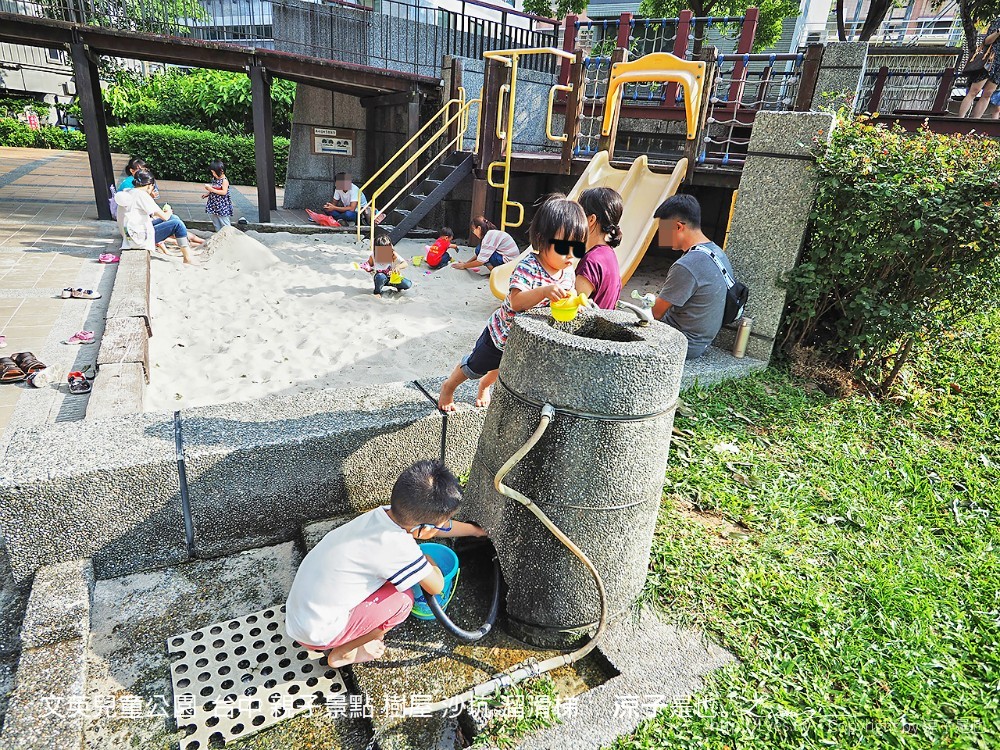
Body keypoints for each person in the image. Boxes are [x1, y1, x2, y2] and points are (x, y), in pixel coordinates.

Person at [284, 460, 487, 668]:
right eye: (443, 523)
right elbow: (437, 586)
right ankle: (345, 652)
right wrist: (426, 559)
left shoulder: (384, 514)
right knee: (403, 601)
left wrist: (475, 531)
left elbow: (437, 526)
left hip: (299, 614)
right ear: (424, 530)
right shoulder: (398, 548)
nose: (445, 526)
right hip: (317, 633)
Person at [437, 196, 585, 412]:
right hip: (501, 334)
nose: (571, 255)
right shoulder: (529, 267)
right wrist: (543, 291)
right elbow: (515, 302)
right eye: (564, 247)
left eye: (577, 247)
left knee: (500, 371)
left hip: (526, 340)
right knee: (476, 366)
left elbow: (567, 295)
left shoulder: (567, 272)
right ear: (542, 240)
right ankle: (449, 387)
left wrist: (574, 301)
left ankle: (484, 387)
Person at [651, 194, 735, 360]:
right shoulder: (717, 253)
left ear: (678, 227)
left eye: (663, 229)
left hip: (681, 342)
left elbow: (655, 313)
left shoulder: (687, 265)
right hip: (702, 341)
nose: (661, 236)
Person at [116, 170, 195, 264]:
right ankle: (187, 258)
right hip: (138, 238)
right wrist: (168, 211)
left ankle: (186, 251)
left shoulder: (129, 191)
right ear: (150, 185)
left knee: (173, 218)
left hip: (129, 234)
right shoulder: (142, 195)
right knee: (177, 224)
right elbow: (165, 217)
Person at [575, 187, 624, 309]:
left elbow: (573, 308)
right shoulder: (609, 254)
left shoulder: (591, 261)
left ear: (591, 219)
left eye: (579, 216)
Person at [959, 18, 1000, 118]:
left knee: (988, 94)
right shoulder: (998, 21)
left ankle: (976, 122)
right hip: (990, 59)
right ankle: (960, 119)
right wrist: (998, 32)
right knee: (975, 90)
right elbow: (986, 41)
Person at [451, 217, 520, 272]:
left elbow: (481, 261)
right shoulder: (491, 233)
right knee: (479, 249)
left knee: (480, 251)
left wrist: (464, 266)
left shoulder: (489, 236)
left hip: (509, 262)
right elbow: (482, 253)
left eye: (473, 230)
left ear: (478, 228)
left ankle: (494, 273)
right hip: (511, 261)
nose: (473, 233)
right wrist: (466, 263)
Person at [201, 159, 233, 231]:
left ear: (221, 171)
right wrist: (208, 194)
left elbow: (224, 192)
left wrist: (211, 190)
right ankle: (218, 234)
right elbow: (215, 187)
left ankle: (229, 235)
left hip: (222, 205)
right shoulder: (215, 179)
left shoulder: (224, 181)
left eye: (214, 173)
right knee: (216, 221)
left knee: (224, 221)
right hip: (214, 204)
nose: (213, 175)